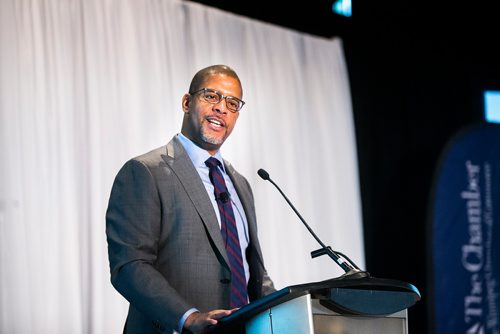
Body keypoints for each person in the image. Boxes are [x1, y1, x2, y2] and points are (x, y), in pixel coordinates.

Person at [106, 64, 275, 334]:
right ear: (187, 102)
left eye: (233, 103)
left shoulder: (240, 183)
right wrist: (188, 317)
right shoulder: (144, 172)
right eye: (212, 96)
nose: (222, 108)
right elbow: (130, 266)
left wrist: (285, 309)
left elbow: (251, 271)